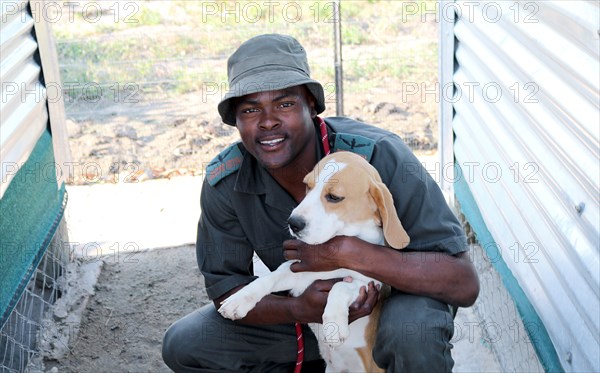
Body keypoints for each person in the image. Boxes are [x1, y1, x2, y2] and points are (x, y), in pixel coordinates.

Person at [162, 33, 479, 373]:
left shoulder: (379, 158)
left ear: (311, 104)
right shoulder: (228, 180)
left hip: (389, 307)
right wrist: (300, 310)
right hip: (303, 312)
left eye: (284, 104)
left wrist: (350, 254)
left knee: (411, 332)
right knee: (186, 343)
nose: (268, 121)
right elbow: (228, 294)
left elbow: (461, 282)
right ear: (235, 121)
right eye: (250, 109)